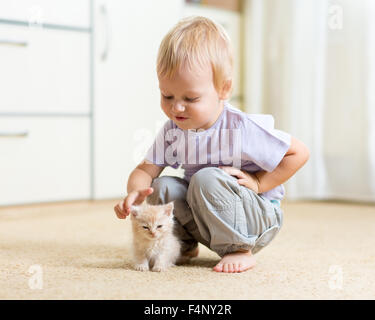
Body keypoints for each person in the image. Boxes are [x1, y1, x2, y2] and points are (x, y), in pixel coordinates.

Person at [114, 16, 309, 273]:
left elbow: (299, 153)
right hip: (208, 214)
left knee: (205, 179)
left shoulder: (240, 127)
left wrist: (260, 182)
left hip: (255, 220)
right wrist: (136, 193)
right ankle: (183, 244)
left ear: (223, 89)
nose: (176, 107)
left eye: (190, 98)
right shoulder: (174, 129)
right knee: (161, 186)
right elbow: (145, 170)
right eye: (167, 95)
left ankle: (239, 248)